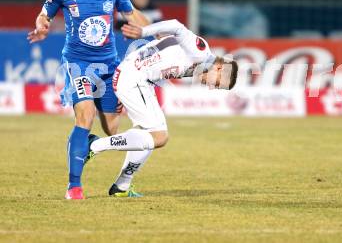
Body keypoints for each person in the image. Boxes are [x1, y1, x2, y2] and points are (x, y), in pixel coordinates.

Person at [27, 0, 149, 200]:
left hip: (108, 65)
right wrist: (42, 24)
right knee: (85, 115)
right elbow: (44, 13)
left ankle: (93, 145)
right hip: (78, 64)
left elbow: (131, 15)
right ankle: (74, 186)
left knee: (112, 129)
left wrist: (161, 32)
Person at [85, 19, 238, 197]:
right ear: (219, 68)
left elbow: (164, 55)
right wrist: (143, 32)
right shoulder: (201, 52)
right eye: (217, 83)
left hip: (139, 80)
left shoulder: (197, 66)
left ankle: (122, 186)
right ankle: (95, 145)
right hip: (133, 78)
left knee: (147, 136)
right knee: (159, 136)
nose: (212, 87)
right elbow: (176, 26)